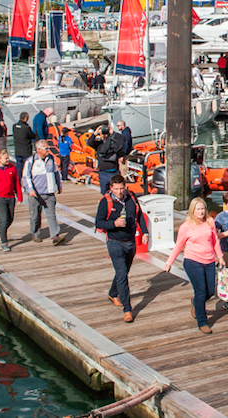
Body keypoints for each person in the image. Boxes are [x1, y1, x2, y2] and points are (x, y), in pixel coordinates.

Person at [163, 197, 224, 334]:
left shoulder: (210, 222)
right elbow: (178, 245)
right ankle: (202, 322)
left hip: (209, 261)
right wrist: (169, 262)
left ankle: (196, 304)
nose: (201, 212)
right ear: (193, 210)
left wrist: (220, 257)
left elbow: (214, 240)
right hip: (192, 261)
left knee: (209, 291)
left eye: (203, 209)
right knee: (201, 290)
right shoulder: (186, 226)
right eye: (198, 209)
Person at [95, 175, 149, 323]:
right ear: (111, 188)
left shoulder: (131, 197)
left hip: (130, 241)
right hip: (114, 242)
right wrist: (114, 224)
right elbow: (98, 223)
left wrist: (145, 232)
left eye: (121, 188)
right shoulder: (105, 202)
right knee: (122, 273)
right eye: (116, 189)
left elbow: (139, 216)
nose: (119, 192)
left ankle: (113, 293)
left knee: (123, 271)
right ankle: (127, 308)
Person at [23, 140, 65, 245]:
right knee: (35, 215)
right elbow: (26, 177)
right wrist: (30, 190)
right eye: (46, 148)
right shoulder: (30, 161)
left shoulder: (51, 159)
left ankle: (55, 236)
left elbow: (56, 172)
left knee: (51, 214)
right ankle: (35, 233)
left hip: (50, 192)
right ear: (39, 150)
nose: (48, 150)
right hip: (36, 193)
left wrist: (59, 185)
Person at [0, 149, 21, 252]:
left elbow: (16, 183)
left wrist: (19, 196)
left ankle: (2, 231)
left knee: (10, 219)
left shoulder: (12, 168)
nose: (8, 159)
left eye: (8, 157)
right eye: (5, 158)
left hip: (11, 198)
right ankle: (4, 242)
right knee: (4, 219)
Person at [88, 124, 125, 194]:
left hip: (114, 171)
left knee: (117, 192)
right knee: (104, 192)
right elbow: (90, 142)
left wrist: (112, 133)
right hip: (103, 172)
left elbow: (122, 141)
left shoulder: (114, 145)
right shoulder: (99, 145)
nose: (105, 135)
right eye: (103, 134)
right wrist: (95, 132)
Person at [11, 112, 36, 179]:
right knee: (27, 167)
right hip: (26, 150)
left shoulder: (14, 126)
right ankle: (27, 179)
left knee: (19, 167)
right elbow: (32, 136)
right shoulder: (26, 127)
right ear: (25, 118)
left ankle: (18, 180)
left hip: (18, 150)